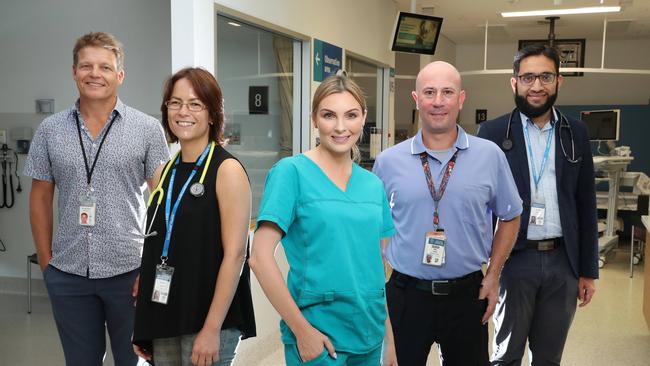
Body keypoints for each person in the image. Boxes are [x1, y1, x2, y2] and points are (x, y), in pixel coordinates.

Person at [24, 31, 169, 365]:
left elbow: (161, 203)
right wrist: (48, 265)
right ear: (74, 72)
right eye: (86, 66)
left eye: (105, 67)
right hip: (69, 273)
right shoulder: (50, 130)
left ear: (119, 75)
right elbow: (40, 198)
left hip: (130, 273)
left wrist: (151, 266)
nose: (94, 74)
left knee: (134, 360)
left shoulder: (147, 129)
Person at [373, 61, 523, 366]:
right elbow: (374, 225)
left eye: (447, 92)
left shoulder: (489, 155)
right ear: (416, 99)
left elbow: (510, 215)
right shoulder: (389, 161)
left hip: (467, 295)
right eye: (429, 92)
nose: (438, 101)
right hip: (406, 295)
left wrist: (493, 275)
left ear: (461, 98)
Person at [249, 75, 398, 366]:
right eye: (329, 115)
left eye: (351, 115)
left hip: (369, 334)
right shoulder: (291, 173)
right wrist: (302, 331)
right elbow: (259, 258)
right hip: (319, 337)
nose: (341, 127)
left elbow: (376, 267)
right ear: (314, 119)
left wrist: (389, 340)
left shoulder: (372, 185)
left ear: (364, 118)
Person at [477, 44, 598, 366]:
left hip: (563, 262)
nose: (537, 86)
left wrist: (588, 271)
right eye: (528, 77)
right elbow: (480, 204)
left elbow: (586, 202)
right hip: (513, 261)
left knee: (548, 357)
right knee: (506, 355)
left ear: (559, 81)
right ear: (514, 82)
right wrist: (486, 268)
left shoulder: (576, 132)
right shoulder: (491, 133)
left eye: (545, 77)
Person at [132, 67, 256, 366]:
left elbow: (236, 255)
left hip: (208, 319)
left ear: (212, 113)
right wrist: (144, 324)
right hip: (166, 313)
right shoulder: (165, 172)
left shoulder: (227, 171)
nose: (183, 111)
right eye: (175, 103)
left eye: (195, 104)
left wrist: (212, 328)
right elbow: (160, 244)